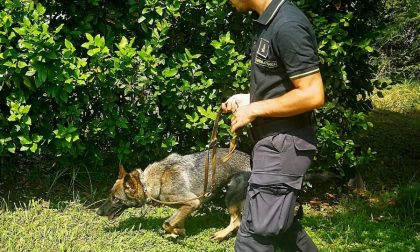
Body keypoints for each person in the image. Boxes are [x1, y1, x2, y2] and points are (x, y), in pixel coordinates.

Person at [222, 0, 325, 251]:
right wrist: (250, 101)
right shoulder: (268, 22)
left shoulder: (287, 24)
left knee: (254, 237)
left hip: (284, 144)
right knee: (282, 227)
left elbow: (313, 94)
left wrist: (255, 109)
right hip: (273, 142)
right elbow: (284, 87)